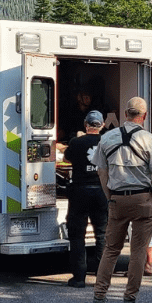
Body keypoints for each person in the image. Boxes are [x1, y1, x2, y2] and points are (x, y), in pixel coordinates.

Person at [90, 97, 152, 303]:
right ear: (143, 116)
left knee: (111, 249)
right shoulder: (149, 139)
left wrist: (109, 196)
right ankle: (129, 299)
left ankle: (99, 296)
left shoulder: (106, 138)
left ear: (125, 114)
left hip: (117, 198)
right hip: (143, 198)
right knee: (138, 251)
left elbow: (101, 171)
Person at [63, 110, 108, 288]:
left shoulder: (76, 142)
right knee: (102, 235)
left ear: (85, 124)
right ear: (102, 125)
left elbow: (67, 157)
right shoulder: (107, 143)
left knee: (77, 235)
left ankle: (79, 277)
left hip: (80, 192)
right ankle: (101, 276)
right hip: (101, 192)